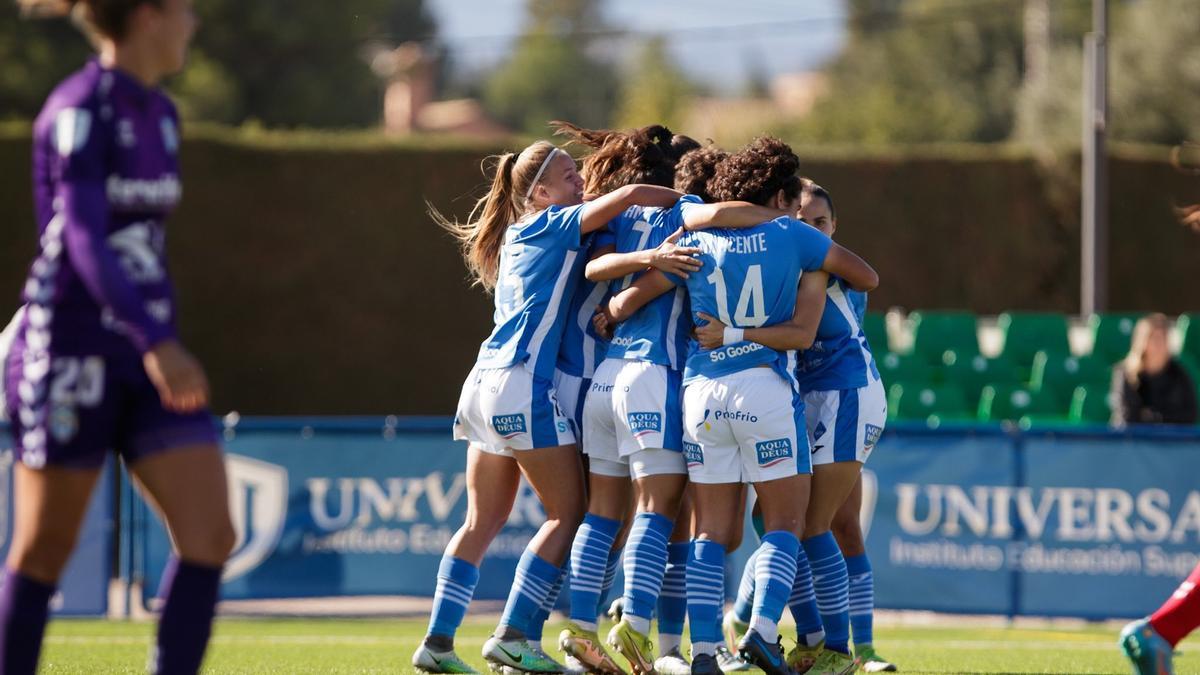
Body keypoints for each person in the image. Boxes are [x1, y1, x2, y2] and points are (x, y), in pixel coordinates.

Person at [4, 2, 234, 674]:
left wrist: (155, 339)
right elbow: (81, 236)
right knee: (44, 549)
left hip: (147, 354)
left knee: (210, 534)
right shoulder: (78, 108)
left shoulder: (161, 114)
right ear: (148, 14)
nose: (194, 22)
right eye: (186, 9)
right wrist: (155, 336)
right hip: (70, 347)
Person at [604, 137, 878, 675]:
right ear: (779, 194)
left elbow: (626, 297)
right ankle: (763, 631)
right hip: (764, 389)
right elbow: (866, 277)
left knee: (709, 531)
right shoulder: (793, 236)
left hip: (702, 395)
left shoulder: (697, 238)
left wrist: (612, 312)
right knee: (785, 523)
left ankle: (703, 652)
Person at [414, 139, 688, 674]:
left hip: (481, 384)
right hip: (523, 384)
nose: (581, 183)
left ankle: (438, 643)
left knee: (481, 521)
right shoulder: (555, 222)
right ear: (539, 192)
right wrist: (695, 205)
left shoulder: (521, 232)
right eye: (568, 176)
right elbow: (630, 193)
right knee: (573, 515)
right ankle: (516, 635)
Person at [557, 124, 789, 675]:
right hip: (658, 378)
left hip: (607, 379)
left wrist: (612, 311)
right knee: (663, 513)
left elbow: (603, 273)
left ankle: (586, 631)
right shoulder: (691, 219)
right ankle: (641, 630)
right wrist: (780, 220)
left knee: (603, 515)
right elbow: (698, 238)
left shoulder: (626, 216)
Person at [712, 180, 895, 674]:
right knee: (777, 524)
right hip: (804, 398)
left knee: (817, 526)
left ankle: (839, 647)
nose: (807, 228)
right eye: (799, 218)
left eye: (819, 222)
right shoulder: (786, 258)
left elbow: (817, 321)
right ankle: (774, 625)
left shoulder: (823, 263)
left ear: (834, 229)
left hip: (846, 395)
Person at [1110, 313, 1198, 427]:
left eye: (1163, 338)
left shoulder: (1179, 374)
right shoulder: (1126, 374)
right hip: (1133, 441)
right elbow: (1127, 417)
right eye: (1154, 338)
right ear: (1142, 342)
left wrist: (1154, 418)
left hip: (1171, 441)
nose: (1159, 344)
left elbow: (1189, 415)